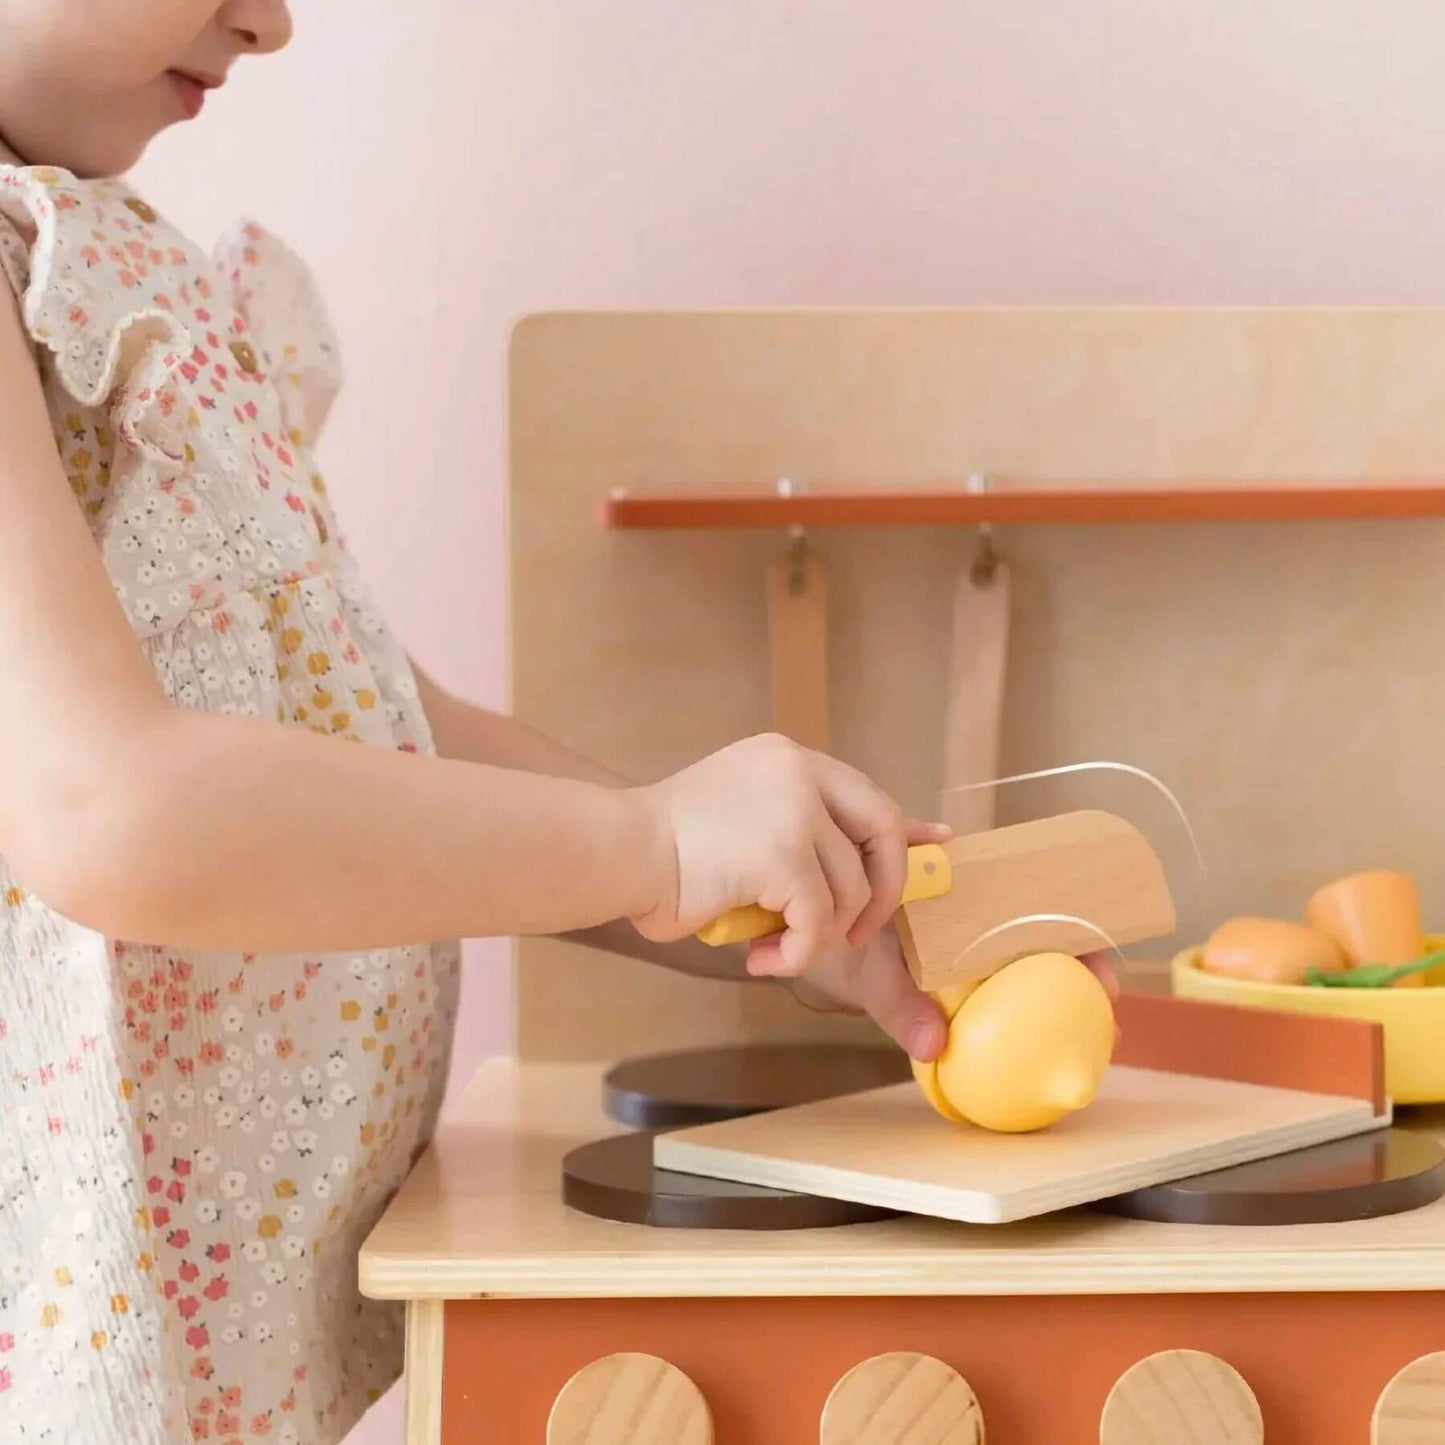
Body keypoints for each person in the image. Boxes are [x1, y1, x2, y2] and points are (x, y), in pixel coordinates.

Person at [0, 5, 994, 1441]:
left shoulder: (92, 252)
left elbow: (378, 726)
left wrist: (732, 903)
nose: (267, 23)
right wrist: (649, 842)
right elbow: (111, 809)